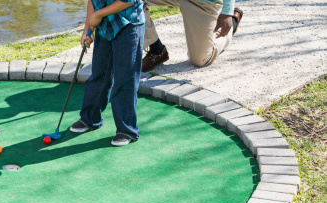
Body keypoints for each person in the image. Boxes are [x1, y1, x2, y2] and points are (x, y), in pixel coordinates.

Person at [69, 0, 145, 147]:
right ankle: (90, 118)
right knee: (99, 75)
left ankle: (126, 130)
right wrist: (87, 30)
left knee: (125, 79)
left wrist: (98, 14)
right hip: (104, 27)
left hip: (128, 25)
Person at [141, 0, 243, 71]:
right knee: (131, 2)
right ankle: (156, 49)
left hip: (203, 2)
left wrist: (227, 12)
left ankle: (231, 25)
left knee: (200, 59)